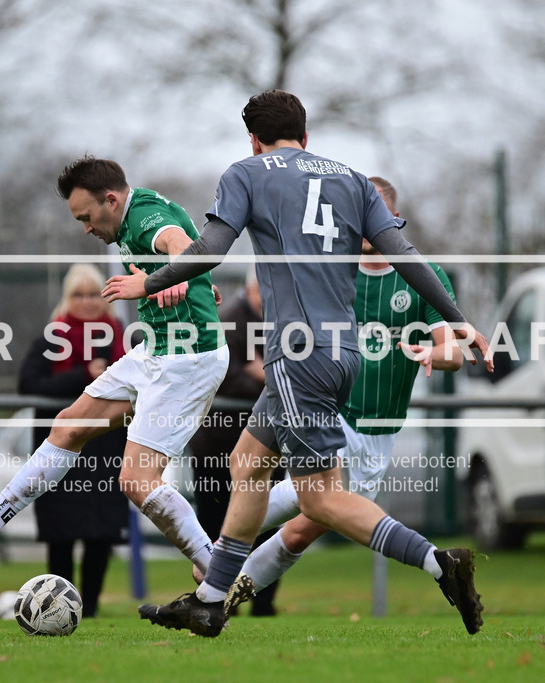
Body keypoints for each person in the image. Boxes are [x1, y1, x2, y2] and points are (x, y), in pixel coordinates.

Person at [103, 90, 492, 638]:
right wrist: (457, 319)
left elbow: (212, 247)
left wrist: (150, 280)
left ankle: (438, 563)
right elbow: (406, 257)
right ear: (305, 137)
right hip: (341, 355)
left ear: (255, 140)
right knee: (248, 463)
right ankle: (211, 600)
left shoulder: (249, 171)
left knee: (319, 496)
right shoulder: (354, 180)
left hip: (296, 354)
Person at [0, 157, 229, 582]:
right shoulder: (135, 214)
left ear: (111, 200)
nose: (86, 228)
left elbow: (178, 244)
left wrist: (169, 278)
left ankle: (216, 569)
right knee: (68, 426)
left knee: (137, 479)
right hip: (158, 352)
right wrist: (193, 282)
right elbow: (190, 255)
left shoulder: (144, 217)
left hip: (188, 360)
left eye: (87, 217)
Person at [239, 175, 466, 594]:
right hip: (329, 413)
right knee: (295, 495)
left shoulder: (422, 275)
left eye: (375, 215)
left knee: (301, 531)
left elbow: (454, 351)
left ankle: (219, 581)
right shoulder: (333, 272)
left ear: (394, 220)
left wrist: (435, 354)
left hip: (377, 436)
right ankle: (215, 566)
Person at [17, 264, 129, 618]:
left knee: (100, 535)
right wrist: (83, 376)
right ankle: (56, 609)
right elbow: (28, 384)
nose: (86, 302)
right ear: (67, 298)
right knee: (60, 534)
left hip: (106, 451)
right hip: (61, 454)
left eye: (93, 294)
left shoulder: (121, 337)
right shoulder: (52, 338)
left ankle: (90, 608)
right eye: (78, 295)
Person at [187, 269, 284, 616]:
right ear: (251, 290)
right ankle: (216, 597)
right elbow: (220, 373)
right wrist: (257, 377)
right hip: (217, 445)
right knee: (214, 525)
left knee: (265, 523)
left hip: (268, 443)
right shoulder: (228, 321)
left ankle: (263, 602)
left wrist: (266, 372)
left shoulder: (283, 321)